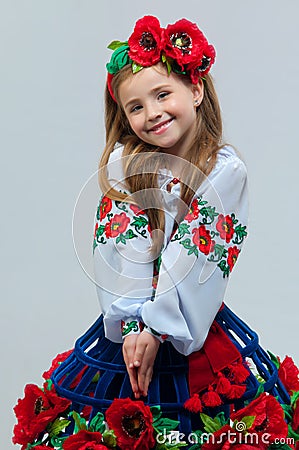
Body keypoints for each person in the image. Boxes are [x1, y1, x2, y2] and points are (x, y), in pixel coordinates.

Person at [12, 16, 299, 450]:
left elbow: (194, 258)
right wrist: (132, 325)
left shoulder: (222, 171)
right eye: (136, 107)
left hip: (187, 328)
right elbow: (122, 251)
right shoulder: (125, 168)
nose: (153, 114)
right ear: (125, 117)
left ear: (196, 90)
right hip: (128, 333)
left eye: (162, 94)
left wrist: (157, 326)